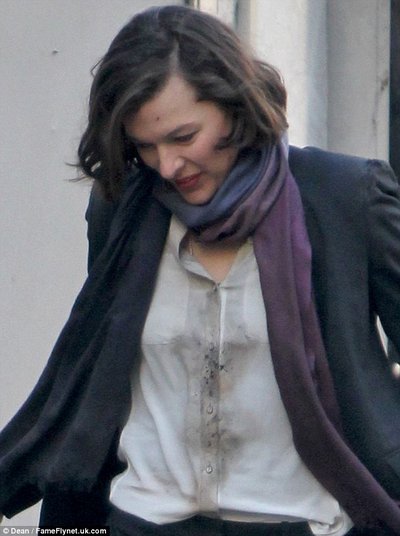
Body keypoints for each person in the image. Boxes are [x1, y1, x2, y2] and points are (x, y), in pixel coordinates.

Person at [1, 5, 400, 535]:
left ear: (236, 107)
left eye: (184, 137)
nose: (167, 166)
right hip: (140, 520)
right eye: (146, 146)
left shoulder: (345, 199)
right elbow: (99, 368)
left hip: (299, 521)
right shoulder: (124, 210)